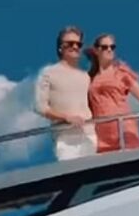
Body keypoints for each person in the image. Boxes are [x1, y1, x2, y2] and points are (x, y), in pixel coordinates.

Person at [34, 26, 97, 160]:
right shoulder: (48, 73)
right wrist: (66, 117)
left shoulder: (85, 76)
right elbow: (40, 107)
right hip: (65, 137)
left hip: (89, 135)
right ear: (60, 47)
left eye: (78, 44)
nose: (75, 47)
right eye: (70, 43)